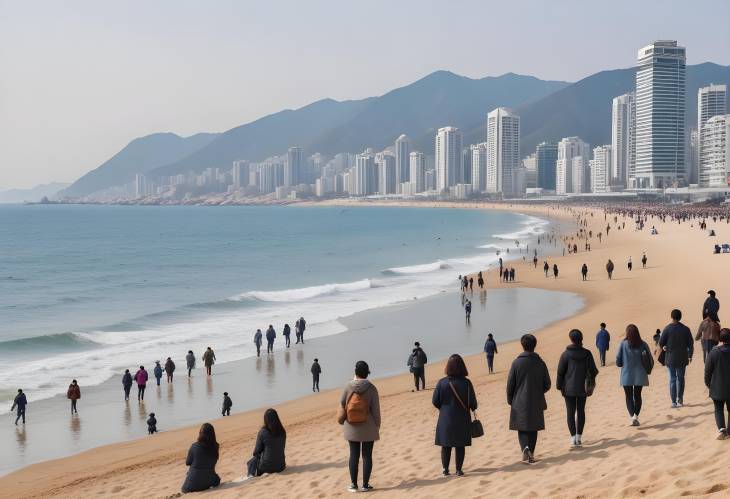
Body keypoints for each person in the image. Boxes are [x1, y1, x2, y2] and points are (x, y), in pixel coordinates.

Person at [506, 334, 551, 464]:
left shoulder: (516, 363)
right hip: (536, 400)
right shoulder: (540, 363)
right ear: (534, 345)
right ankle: (530, 451)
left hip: (519, 400)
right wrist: (538, 391)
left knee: (522, 427)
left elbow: (510, 384)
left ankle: (525, 449)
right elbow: (547, 384)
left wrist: (510, 399)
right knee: (533, 427)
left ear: (522, 345)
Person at [432, 354, 478, 476]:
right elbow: (473, 403)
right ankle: (458, 470)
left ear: (448, 367)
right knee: (460, 445)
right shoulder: (467, 383)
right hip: (462, 417)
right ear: (462, 366)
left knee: (446, 445)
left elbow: (435, 401)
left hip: (445, 418)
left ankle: (445, 470)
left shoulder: (441, 383)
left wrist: (444, 409)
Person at [339, 361, 380, 493]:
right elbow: (376, 411)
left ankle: (353, 485)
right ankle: (366, 485)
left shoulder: (347, 386)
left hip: (351, 426)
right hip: (368, 426)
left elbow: (342, 403)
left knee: (353, 455)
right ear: (367, 372)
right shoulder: (372, 388)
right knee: (367, 456)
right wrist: (376, 426)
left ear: (355, 372)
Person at [556, 330, 598, 447]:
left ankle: (573, 438)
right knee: (581, 411)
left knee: (570, 412)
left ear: (571, 339)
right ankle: (579, 437)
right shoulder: (587, 353)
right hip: (583, 388)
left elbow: (560, 373)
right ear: (581, 338)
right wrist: (590, 381)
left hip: (568, 389)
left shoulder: (565, 354)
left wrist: (559, 386)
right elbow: (594, 371)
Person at [616, 324, 653, 426]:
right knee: (637, 395)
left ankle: (632, 417)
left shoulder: (623, 344)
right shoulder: (643, 344)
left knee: (628, 396)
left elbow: (618, 362)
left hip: (626, 374)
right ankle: (636, 416)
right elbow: (649, 359)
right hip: (640, 374)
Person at [659, 309, 694, 408]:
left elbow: (661, 343)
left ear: (672, 317)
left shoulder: (667, 329)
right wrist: (690, 355)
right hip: (682, 358)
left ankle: (673, 402)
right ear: (680, 317)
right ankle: (680, 400)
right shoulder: (685, 329)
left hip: (670, 358)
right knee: (681, 379)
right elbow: (690, 344)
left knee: (672, 379)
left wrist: (665, 346)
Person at [704, 328, 730, 439]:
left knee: (718, 408)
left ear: (720, 339)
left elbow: (707, 370)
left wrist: (708, 383)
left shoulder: (714, 352)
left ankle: (722, 430)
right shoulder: (714, 352)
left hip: (717, 387)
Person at [181, 423, 221, 493]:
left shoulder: (194, 446)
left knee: (191, 470)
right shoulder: (216, 446)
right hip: (209, 481)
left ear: (200, 433)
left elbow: (188, 462)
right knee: (216, 478)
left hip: (190, 486)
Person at [247, 408, 287, 478]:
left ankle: (250, 476)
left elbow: (256, 452)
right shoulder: (282, 431)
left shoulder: (263, 432)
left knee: (253, 461)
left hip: (267, 468)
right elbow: (281, 447)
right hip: (281, 466)